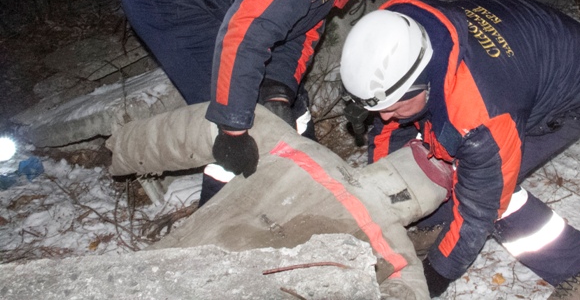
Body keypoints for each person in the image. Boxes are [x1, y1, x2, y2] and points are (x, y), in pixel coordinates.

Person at [119, 0, 435, 204]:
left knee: (286, 107)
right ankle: (221, 237)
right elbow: (249, 27)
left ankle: (308, 197)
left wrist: (281, 88)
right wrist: (233, 127)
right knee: (237, 123)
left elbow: (304, 24)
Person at [339, 0, 580, 300]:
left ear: (423, 82)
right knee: (435, 146)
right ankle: (435, 224)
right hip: (528, 42)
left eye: (396, 106)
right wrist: (381, 206)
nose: (385, 117)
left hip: (576, 82)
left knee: (496, 191)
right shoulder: (393, 40)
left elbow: (480, 208)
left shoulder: (479, 113)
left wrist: (434, 277)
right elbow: (388, 132)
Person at [106, 101, 453, 300]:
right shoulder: (393, 247)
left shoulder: (291, 146)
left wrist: (122, 147)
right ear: (419, 209)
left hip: (150, 276)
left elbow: (193, 128)